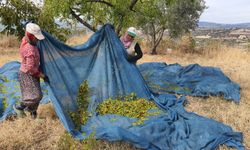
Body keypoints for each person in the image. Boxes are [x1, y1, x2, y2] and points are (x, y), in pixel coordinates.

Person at [13, 23, 46, 119]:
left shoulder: (26, 40)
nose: (38, 39)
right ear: (31, 37)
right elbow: (30, 68)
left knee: (33, 94)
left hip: (31, 74)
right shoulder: (30, 49)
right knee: (35, 96)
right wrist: (41, 75)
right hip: (28, 75)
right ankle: (19, 107)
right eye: (36, 37)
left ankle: (33, 116)